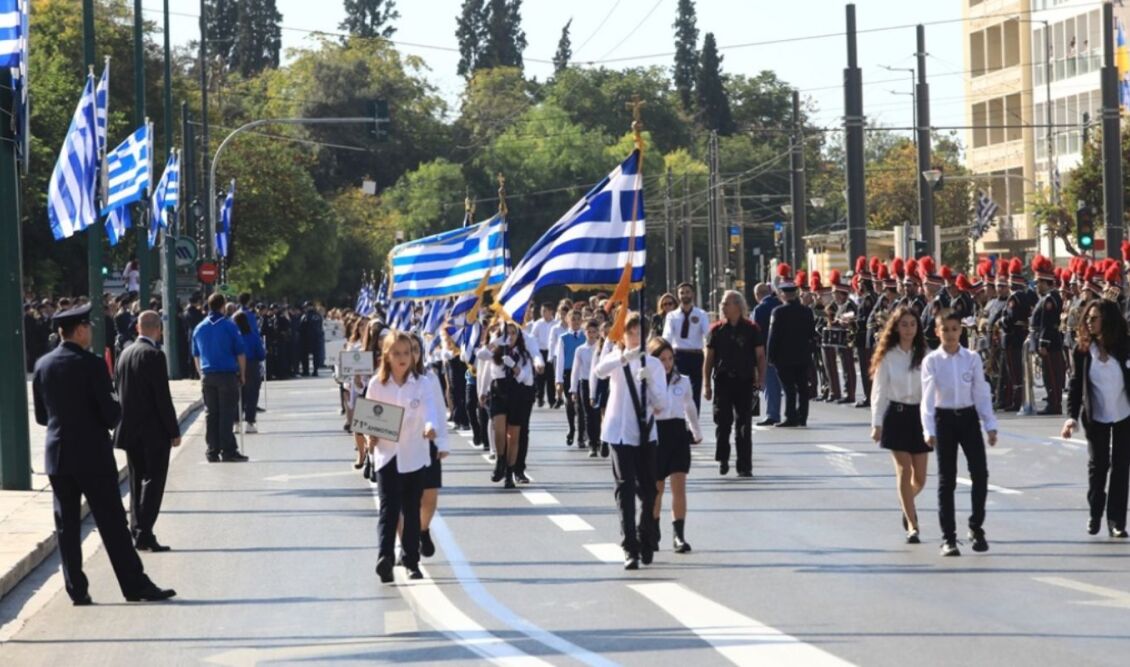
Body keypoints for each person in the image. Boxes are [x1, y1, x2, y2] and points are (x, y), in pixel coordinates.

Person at [33, 303, 175, 604]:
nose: (92, 332)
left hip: (58, 455)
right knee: (112, 523)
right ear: (80, 330)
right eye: (90, 327)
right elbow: (111, 414)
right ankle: (134, 585)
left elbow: (42, 417)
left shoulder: (43, 365)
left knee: (66, 525)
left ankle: (77, 589)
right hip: (92, 455)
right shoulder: (93, 365)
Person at [365, 332, 448, 582]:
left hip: (414, 454)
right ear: (387, 356)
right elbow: (370, 419)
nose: (402, 358)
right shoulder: (377, 385)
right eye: (397, 353)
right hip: (387, 456)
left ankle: (412, 560)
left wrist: (430, 428)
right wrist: (370, 437)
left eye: (407, 353)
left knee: (411, 509)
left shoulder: (422, 383)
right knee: (389, 510)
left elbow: (431, 410)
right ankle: (385, 558)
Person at [921, 310, 998, 557]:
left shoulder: (971, 358)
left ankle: (976, 526)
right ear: (937, 332)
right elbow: (927, 398)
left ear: (961, 330)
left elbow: (981, 392)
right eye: (945, 329)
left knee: (980, 473)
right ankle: (948, 538)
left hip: (967, 417)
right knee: (947, 480)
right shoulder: (932, 361)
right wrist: (928, 429)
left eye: (955, 329)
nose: (951, 334)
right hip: (944, 419)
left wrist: (990, 424)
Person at [595, 313, 668, 570]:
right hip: (619, 432)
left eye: (639, 333)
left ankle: (645, 535)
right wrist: (622, 357)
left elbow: (661, 406)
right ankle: (629, 547)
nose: (635, 338)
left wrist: (650, 382)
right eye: (630, 333)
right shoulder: (616, 359)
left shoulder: (655, 365)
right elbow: (599, 371)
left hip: (645, 434)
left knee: (649, 491)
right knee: (624, 489)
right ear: (623, 335)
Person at [113, 311, 180, 552]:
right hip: (152, 431)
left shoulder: (125, 353)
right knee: (153, 482)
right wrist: (173, 430)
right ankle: (145, 532)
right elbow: (162, 397)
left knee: (135, 480)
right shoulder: (154, 355)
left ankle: (136, 529)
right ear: (157, 329)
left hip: (130, 429)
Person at [1062, 299, 1130, 538]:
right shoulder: (1082, 351)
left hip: (1124, 414)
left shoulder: (1124, 347)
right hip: (1096, 415)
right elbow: (1075, 385)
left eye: (1094, 318)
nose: (1089, 322)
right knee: (1098, 465)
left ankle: (1116, 521)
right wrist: (1071, 418)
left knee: (1122, 467)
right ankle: (1095, 513)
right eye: (1087, 318)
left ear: (1107, 321)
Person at [869, 306, 931, 544]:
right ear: (896, 327)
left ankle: (906, 502)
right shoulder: (888, 355)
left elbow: (934, 387)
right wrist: (876, 423)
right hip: (895, 415)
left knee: (921, 478)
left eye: (912, 324)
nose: (908, 329)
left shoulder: (925, 353)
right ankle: (913, 526)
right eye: (904, 324)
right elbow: (879, 391)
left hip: (919, 417)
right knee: (904, 471)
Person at [703, 290, 765, 477]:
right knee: (722, 422)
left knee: (744, 424)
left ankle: (744, 465)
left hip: (745, 381)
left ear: (738, 306)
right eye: (722, 303)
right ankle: (723, 458)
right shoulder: (716, 330)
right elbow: (709, 359)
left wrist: (761, 379)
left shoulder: (752, 329)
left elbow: (760, 356)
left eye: (726, 303)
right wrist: (706, 384)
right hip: (723, 381)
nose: (722, 306)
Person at [649, 337, 702, 553]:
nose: (667, 363)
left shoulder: (683, 381)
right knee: (657, 489)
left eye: (670, 358)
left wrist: (696, 431)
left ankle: (679, 535)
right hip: (657, 434)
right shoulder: (648, 382)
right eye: (662, 359)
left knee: (679, 486)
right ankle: (652, 530)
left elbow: (689, 406)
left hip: (677, 433)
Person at [478, 321, 536, 488]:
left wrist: (515, 367)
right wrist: (497, 341)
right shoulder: (495, 352)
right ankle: (500, 462)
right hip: (498, 391)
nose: (510, 337)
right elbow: (481, 355)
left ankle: (510, 473)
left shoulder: (523, 355)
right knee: (499, 428)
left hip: (517, 394)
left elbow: (528, 378)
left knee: (513, 435)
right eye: (507, 333)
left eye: (513, 333)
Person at [192, 293, 248, 463]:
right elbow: (240, 353)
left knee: (211, 413)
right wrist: (243, 374)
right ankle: (228, 449)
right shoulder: (229, 326)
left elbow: (196, 355)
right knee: (226, 413)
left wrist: (201, 374)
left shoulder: (199, 328)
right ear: (223, 306)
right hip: (226, 374)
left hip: (208, 374)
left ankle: (212, 449)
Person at [767, 267, 815, 427]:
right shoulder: (806, 311)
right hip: (802, 356)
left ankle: (790, 416)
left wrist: (770, 357)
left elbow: (773, 336)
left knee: (788, 388)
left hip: (784, 357)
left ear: (783, 294)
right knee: (802, 387)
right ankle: (803, 417)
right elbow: (811, 334)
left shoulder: (778, 312)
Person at [663, 283, 710, 413]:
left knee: (695, 392)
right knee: (678, 389)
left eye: (687, 292)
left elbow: (708, 335)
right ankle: (679, 420)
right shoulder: (672, 316)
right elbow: (667, 335)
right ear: (678, 296)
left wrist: (710, 350)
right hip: (679, 356)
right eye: (682, 293)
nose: (685, 295)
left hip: (696, 356)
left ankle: (693, 424)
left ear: (693, 294)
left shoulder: (701, 314)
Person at [555, 309, 588, 448]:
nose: (575, 322)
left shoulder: (585, 337)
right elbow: (560, 360)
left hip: (582, 373)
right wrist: (558, 381)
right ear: (567, 321)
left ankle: (581, 436)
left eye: (577, 319)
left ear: (581, 321)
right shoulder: (563, 338)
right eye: (572, 319)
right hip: (568, 373)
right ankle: (571, 428)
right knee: (570, 403)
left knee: (580, 406)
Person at [571, 319, 603, 458]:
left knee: (599, 414)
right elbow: (575, 370)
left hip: (600, 383)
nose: (591, 334)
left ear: (598, 333)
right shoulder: (580, 350)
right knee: (588, 414)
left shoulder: (601, 348)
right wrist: (573, 389)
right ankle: (592, 443)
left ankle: (602, 441)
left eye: (594, 332)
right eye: (589, 332)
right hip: (585, 383)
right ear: (585, 333)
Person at [752, 283, 782, 425]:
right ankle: (794, 413)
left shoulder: (759, 309)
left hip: (766, 351)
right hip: (784, 351)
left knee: (771, 384)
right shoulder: (780, 304)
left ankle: (773, 414)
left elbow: (755, 332)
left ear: (757, 295)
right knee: (787, 385)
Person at [233, 311, 266, 434]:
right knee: (252, 395)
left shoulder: (234, 337)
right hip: (251, 366)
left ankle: (236, 422)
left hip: (235, 366)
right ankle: (250, 422)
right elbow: (261, 355)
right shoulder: (253, 336)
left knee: (237, 396)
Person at [530, 303, 556, 407]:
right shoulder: (538, 324)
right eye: (542, 311)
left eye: (545, 311)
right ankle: (539, 397)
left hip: (552, 352)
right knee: (539, 376)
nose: (543, 313)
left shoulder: (555, 324)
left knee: (551, 377)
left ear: (551, 311)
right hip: (541, 351)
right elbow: (533, 337)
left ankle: (552, 399)